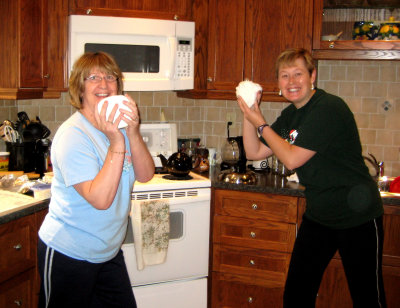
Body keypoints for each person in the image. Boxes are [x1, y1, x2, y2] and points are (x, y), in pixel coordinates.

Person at [237, 48, 386, 308]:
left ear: (312, 76)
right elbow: (255, 152)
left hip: (358, 218)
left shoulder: (329, 107)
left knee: (367, 298)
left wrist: (260, 122)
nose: (292, 82)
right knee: (296, 295)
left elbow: (292, 159)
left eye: (298, 74)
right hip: (320, 216)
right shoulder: (291, 116)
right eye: (285, 76)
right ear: (279, 83)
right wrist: (249, 112)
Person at [37, 51, 155, 308]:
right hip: (69, 253)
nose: (103, 84)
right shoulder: (73, 136)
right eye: (93, 77)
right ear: (80, 89)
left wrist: (132, 132)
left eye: (110, 77)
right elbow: (100, 199)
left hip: (107, 253)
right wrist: (116, 141)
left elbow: (146, 174)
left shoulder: (120, 126)